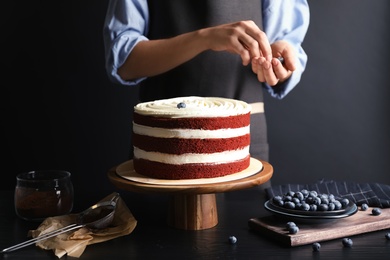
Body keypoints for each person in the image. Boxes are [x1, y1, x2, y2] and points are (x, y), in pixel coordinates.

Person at [103, 0, 310, 163]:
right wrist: (205, 38)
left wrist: (279, 62)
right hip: (165, 143)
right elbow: (125, 63)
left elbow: (284, 45)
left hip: (245, 144)